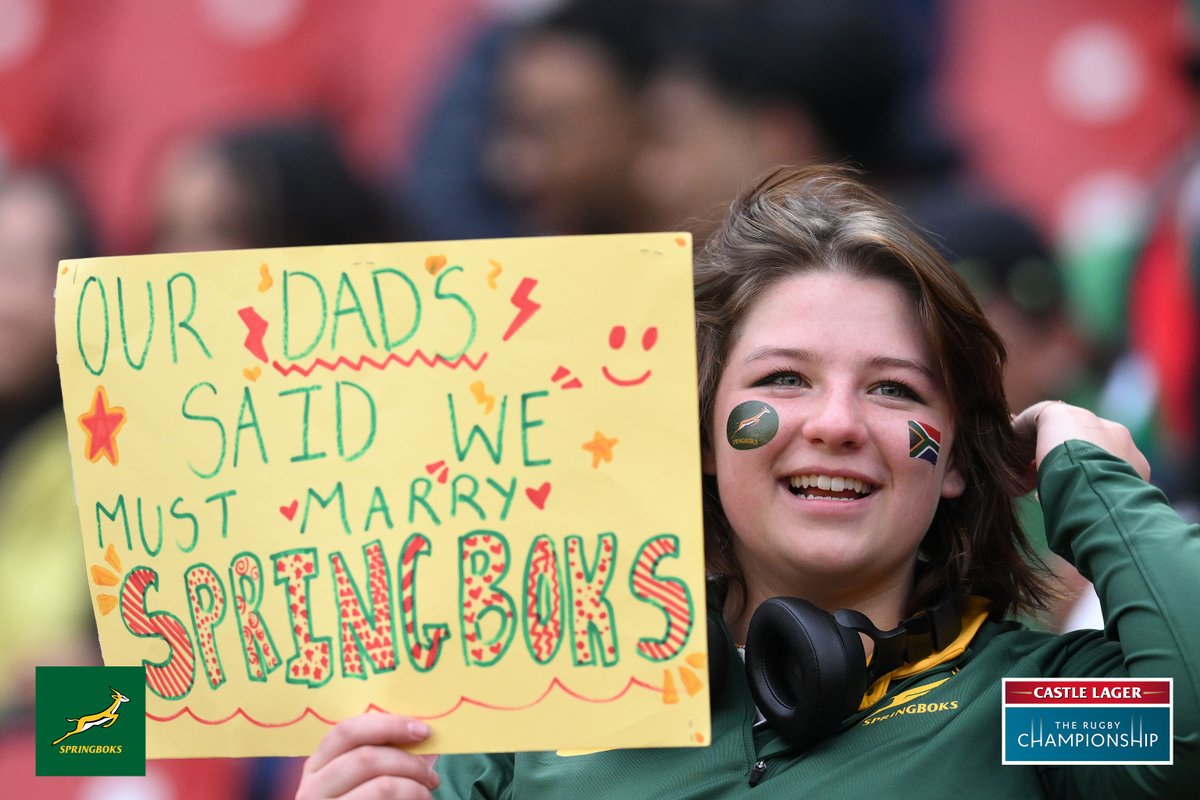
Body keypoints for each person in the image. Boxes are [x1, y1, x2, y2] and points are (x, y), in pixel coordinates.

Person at [294, 166, 1198, 798]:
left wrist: (1089, 476)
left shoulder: (1021, 715)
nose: (835, 423)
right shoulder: (537, 716)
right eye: (783, 380)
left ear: (962, 460)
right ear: (700, 439)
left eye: (893, 388)